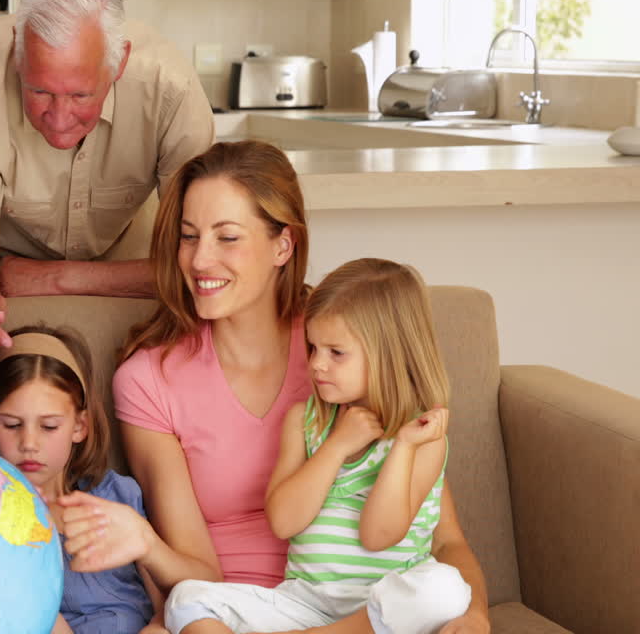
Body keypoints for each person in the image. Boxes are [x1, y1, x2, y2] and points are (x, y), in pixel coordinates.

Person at [99, 142, 491, 633]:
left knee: (439, 592)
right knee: (181, 608)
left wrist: (475, 614)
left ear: (283, 246)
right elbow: (198, 574)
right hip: (249, 610)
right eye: (189, 236)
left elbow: (443, 538)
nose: (200, 259)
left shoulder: (349, 349)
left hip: (376, 606)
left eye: (227, 237)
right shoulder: (148, 380)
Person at [164, 258, 472, 633]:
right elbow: (283, 522)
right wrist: (336, 447)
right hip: (304, 605)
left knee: (445, 589)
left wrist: (403, 448)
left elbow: (378, 535)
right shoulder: (306, 421)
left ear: (391, 355)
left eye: (336, 353)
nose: (316, 365)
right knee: (186, 597)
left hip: (381, 613)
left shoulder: (422, 439)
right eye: (312, 348)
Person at [0, 0, 216, 361]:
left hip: (134, 281)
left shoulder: (170, 90)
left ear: (119, 62)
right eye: (40, 92)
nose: (59, 117)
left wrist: (59, 278)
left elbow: (203, 263)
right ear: (18, 52)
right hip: (7, 284)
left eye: (80, 95)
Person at [0, 325, 208, 634]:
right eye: (12, 425)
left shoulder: (116, 496)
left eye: (49, 426)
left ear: (79, 426)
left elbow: (171, 602)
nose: (29, 443)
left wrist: (157, 625)